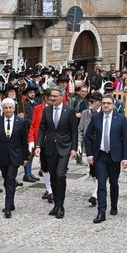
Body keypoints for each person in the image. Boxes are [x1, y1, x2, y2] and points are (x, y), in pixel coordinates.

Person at [84, 94, 127, 223]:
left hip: (114, 156)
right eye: (104, 103)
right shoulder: (96, 118)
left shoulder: (120, 118)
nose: (106, 105)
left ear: (113, 104)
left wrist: (125, 158)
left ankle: (114, 205)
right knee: (101, 183)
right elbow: (88, 136)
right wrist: (90, 154)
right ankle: (101, 211)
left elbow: (125, 140)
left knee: (113, 183)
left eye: (108, 103)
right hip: (100, 155)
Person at [35, 86, 78, 219]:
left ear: (61, 97)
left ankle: (61, 205)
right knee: (53, 176)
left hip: (64, 147)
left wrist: (74, 148)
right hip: (50, 147)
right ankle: (56, 205)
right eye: (51, 96)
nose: (51, 98)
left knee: (60, 175)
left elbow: (74, 131)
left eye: (54, 96)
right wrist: (38, 145)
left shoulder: (69, 110)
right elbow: (42, 128)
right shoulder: (47, 110)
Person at [0, 98, 29, 218]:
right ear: (3, 109)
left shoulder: (20, 122)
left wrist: (25, 157)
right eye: (6, 108)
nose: (8, 110)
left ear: (14, 109)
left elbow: (24, 141)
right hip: (3, 156)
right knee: (6, 180)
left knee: (11, 179)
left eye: (10, 108)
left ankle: (7, 206)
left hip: (16, 156)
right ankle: (11, 202)